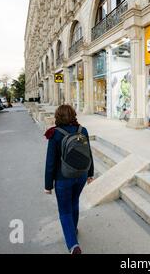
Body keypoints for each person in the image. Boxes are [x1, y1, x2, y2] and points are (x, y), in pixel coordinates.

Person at [44, 105, 95, 254]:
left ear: (57, 116)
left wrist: (48, 185)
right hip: (81, 175)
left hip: (63, 178)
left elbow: (50, 162)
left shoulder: (55, 134)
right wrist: (90, 174)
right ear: (73, 115)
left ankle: (73, 245)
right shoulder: (82, 130)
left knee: (65, 210)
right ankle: (73, 230)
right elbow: (89, 154)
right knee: (74, 202)